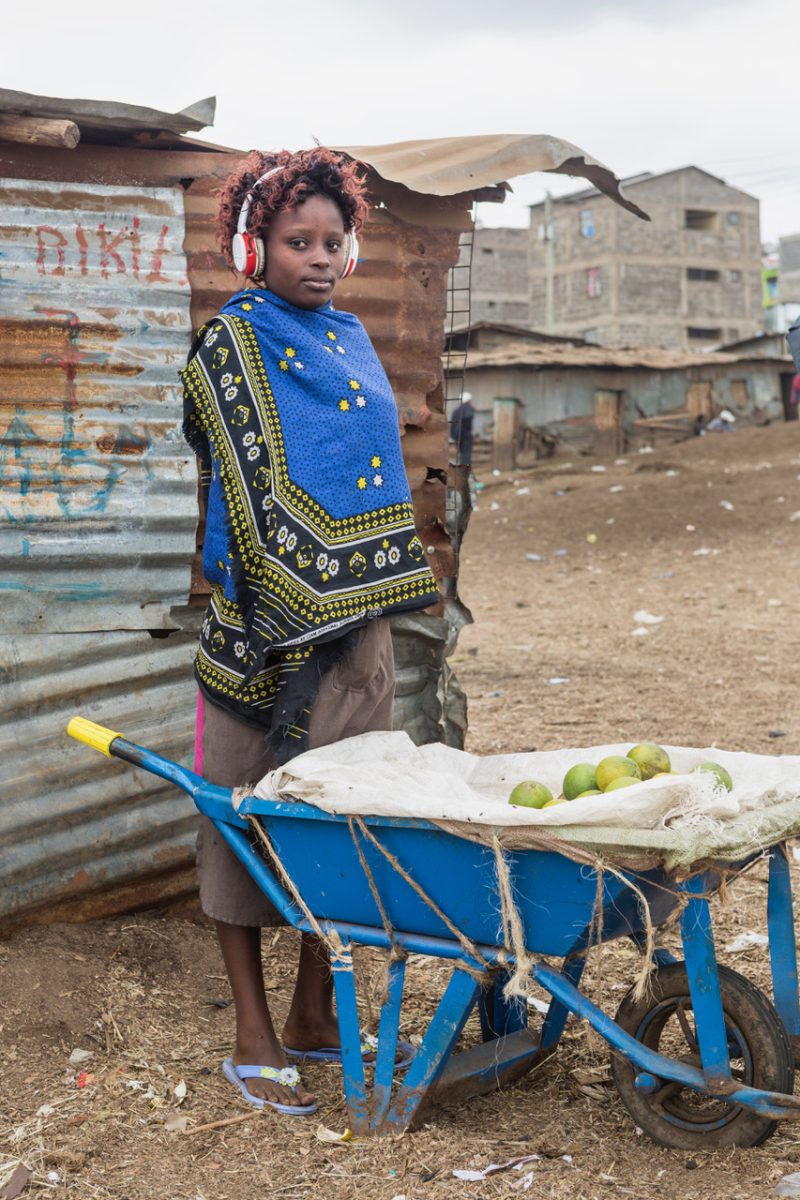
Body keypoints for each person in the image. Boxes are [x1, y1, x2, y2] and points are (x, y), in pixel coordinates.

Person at [180, 149, 439, 1115]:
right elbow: (250, 485)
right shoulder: (231, 344)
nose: (321, 258)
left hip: (355, 635)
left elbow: (369, 473)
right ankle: (253, 1033)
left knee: (343, 825)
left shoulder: (352, 338)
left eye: (335, 241)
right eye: (298, 241)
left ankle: (313, 1014)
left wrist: (349, 590)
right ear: (254, 247)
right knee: (241, 826)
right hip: (261, 637)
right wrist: (296, 594)